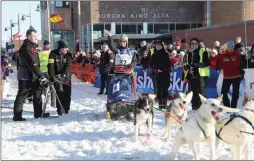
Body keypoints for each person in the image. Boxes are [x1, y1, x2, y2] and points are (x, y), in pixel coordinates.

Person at [13, 29, 49, 121]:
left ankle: (38, 113)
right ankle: (17, 116)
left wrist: (39, 75)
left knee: (37, 93)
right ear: (28, 36)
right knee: (22, 95)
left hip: (34, 75)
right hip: (25, 75)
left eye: (36, 36)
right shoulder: (26, 48)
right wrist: (41, 76)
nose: (35, 37)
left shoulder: (32, 46)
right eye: (33, 36)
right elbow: (33, 63)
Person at [105, 29, 137, 95]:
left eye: (124, 42)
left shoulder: (131, 51)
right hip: (118, 74)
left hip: (127, 74)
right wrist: (110, 37)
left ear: (127, 42)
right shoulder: (117, 50)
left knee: (127, 90)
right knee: (117, 91)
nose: (122, 43)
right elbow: (111, 45)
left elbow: (135, 61)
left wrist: (131, 65)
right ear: (119, 42)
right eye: (121, 41)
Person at [183, 38, 210, 110]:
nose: (194, 45)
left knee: (201, 93)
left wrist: (197, 65)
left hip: (200, 75)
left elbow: (207, 63)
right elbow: (185, 63)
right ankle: (194, 108)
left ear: (198, 44)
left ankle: (202, 109)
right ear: (190, 45)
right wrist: (186, 66)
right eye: (192, 43)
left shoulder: (203, 51)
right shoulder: (188, 53)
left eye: (195, 43)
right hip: (191, 75)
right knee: (193, 93)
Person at [48, 40, 73, 115]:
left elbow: (68, 66)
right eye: (65, 48)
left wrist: (64, 75)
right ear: (60, 48)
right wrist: (52, 76)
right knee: (59, 94)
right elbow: (50, 66)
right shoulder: (53, 54)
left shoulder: (69, 54)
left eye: (67, 48)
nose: (66, 49)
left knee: (67, 94)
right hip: (56, 77)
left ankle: (66, 109)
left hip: (66, 77)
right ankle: (60, 110)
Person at [219, 40, 242, 108]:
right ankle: (227, 107)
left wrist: (227, 62)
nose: (230, 47)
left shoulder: (237, 54)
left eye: (232, 46)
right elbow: (221, 66)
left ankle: (233, 107)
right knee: (223, 93)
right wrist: (230, 63)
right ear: (226, 47)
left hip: (236, 76)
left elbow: (236, 64)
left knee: (236, 93)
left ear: (233, 46)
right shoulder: (223, 55)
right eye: (228, 46)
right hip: (226, 77)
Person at [150, 40, 171, 109]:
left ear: (162, 46)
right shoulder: (153, 55)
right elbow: (151, 65)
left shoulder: (165, 54)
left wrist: (163, 69)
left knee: (164, 89)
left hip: (165, 74)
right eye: (157, 45)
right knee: (158, 89)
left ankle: (164, 105)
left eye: (159, 45)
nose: (158, 46)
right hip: (157, 74)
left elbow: (169, 65)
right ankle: (160, 105)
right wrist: (156, 69)